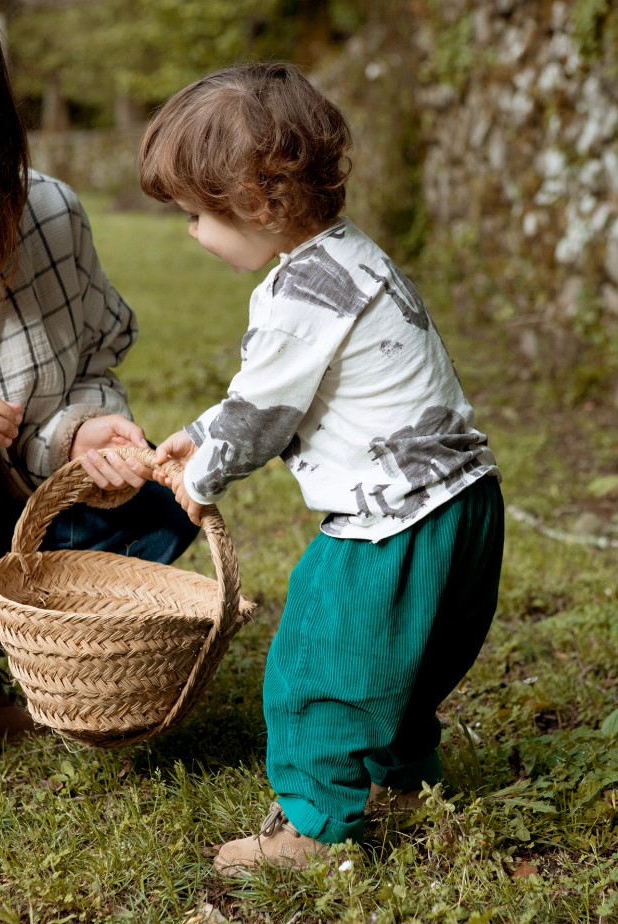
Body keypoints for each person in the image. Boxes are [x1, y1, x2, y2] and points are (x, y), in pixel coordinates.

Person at [137, 61, 504, 875]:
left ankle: (311, 829)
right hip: (464, 501)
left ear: (257, 200)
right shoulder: (352, 259)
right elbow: (276, 392)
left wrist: (200, 479)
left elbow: (265, 413)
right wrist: (197, 434)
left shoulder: (300, 293)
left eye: (198, 214)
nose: (192, 231)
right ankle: (403, 783)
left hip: (392, 521)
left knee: (316, 661)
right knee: (404, 657)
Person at [0, 5, 198, 742]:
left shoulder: (51, 212)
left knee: (164, 506)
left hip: (9, 507)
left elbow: (90, 362)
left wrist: (83, 430)